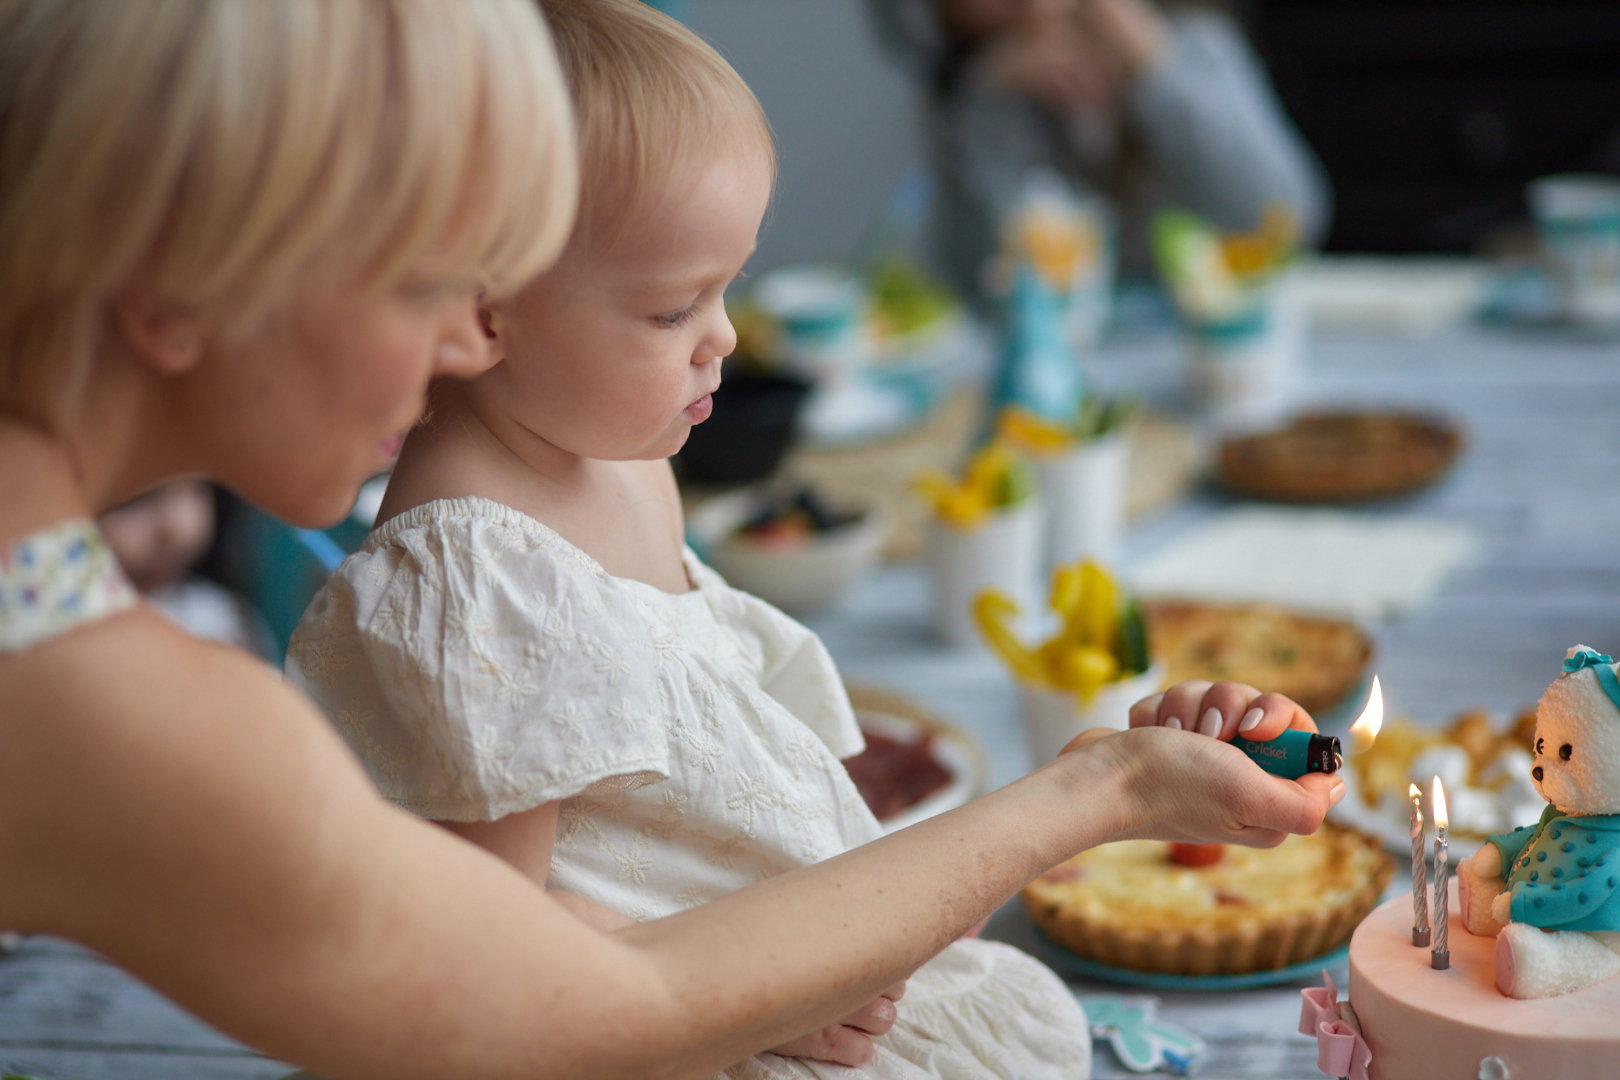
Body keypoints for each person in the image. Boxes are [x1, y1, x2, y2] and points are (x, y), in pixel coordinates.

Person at [0, 0, 1341, 1076]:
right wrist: (1095, 791)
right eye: (420, 278)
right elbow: (578, 1005)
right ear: (179, 290)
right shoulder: (91, 695)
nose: (469, 341)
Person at [868, 0, 1333, 300]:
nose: (1039, 15)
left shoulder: (1193, 46)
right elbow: (978, 281)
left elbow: (1289, 219)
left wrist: (1154, 66)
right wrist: (986, 110)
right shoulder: (977, 100)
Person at [98, 480, 277, 660]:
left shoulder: (229, 623)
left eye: (197, 486)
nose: (178, 526)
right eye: (136, 499)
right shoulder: (88, 639)